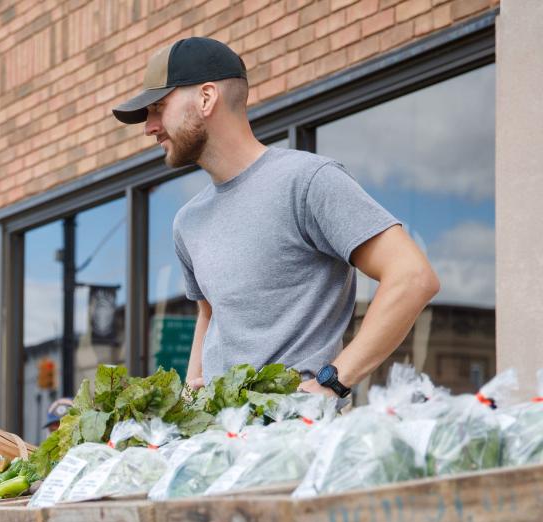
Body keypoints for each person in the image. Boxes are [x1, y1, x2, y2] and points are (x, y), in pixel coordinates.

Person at [113, 37, 439, 400]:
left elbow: (412, 277)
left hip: (289, 441)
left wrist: (332, 383)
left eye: (159, 107)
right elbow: (210, 314)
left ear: (206, 98)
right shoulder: (188, 222)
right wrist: (191, 393)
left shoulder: (307, 182)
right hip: (220, 439)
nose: (149, 126)